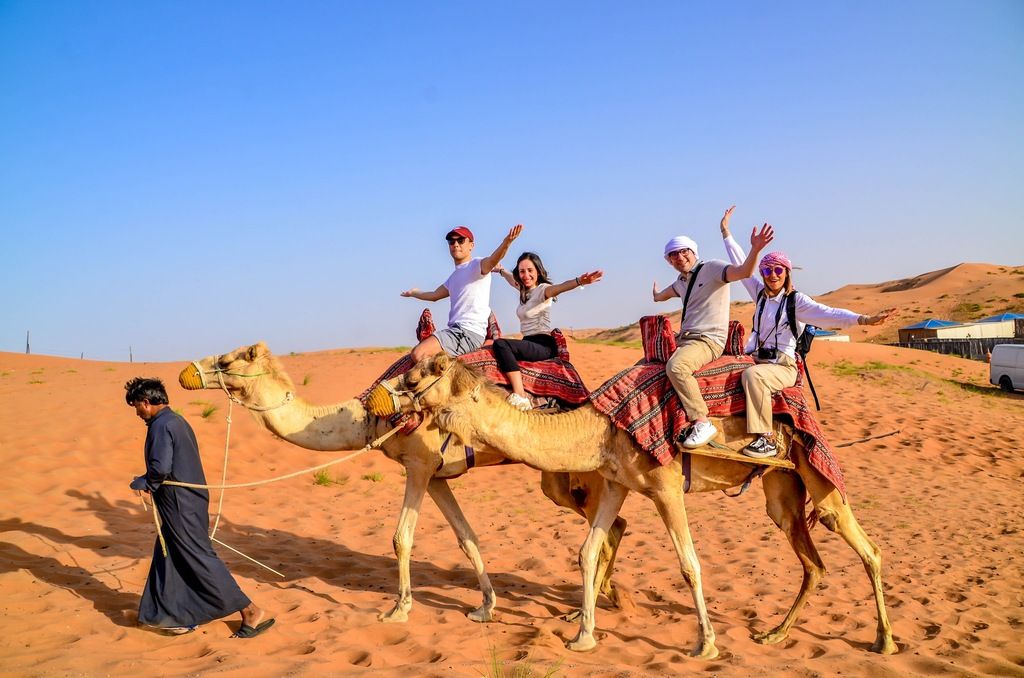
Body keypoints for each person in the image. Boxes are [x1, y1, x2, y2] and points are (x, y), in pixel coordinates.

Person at [720, 207, 893, 458]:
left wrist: (864, 319)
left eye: (778, 270)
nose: (772, 275)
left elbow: (829, 314)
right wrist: (725, 231)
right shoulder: (758, 293)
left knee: (753, 377)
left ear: (787, 273)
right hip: (756, 356)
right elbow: (739, 261)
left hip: (782, 366)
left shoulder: (796, 302)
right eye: (767, 271)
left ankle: (765, 438)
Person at [126, 377, 274, 638]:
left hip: (180, 504)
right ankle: (173, 615)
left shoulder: (161, 425)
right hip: (186, 500)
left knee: (197, 556)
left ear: (147, 403)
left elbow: (160, 467)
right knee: (169, 555)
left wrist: (144, 481)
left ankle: (249, 609)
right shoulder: (177, 421)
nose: (137, 412)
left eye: (136, 406)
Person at [653, 212, 774, 449]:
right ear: (669, 261)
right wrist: (656, 295)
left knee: (676, 367)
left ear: (694, 252)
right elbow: (663, 295)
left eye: (683, 251)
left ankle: (701, 420)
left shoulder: (712, 269)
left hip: (707, 340)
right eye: (673, 254)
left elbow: (744, 272)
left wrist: (756, 249)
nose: (679, 257)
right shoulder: (682, 281)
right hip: (685, 339)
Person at [490, 252, 603, 410]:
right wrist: (501, 271)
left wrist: (580, 281)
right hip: (528, 342)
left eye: (530, 270)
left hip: (542, 344)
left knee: (501, 345)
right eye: (522, 271)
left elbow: (560, 288)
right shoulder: (523, 290)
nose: (526, 275)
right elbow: (512, 280)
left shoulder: (543, 290)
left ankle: (520, 394)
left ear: (538, 271)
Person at [401, 224, 523, 362]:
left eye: (460, 240)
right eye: (451, 241)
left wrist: (506, 242)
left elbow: (494, 259)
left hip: (467, 333)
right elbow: (434, 295)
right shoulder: (453, 277)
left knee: (419, 353)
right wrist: (414, 292)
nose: (456, 244)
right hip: (456, 331)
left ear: (471, 245)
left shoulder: (476, 265)